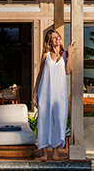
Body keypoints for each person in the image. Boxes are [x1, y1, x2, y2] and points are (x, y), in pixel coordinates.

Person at [32, 29, 77, 160]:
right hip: (45, 92)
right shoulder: (45, 55)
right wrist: (35, 93)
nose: (57, 39)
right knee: (44, 120)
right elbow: (40, 75)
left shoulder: (65, 54)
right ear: (50, 42)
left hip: (60, 94)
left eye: (58, 36)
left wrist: (71, 53)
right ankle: (45, 153)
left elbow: (68, 71)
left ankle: (55, 152)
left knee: (59, 120)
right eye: (54, 37)